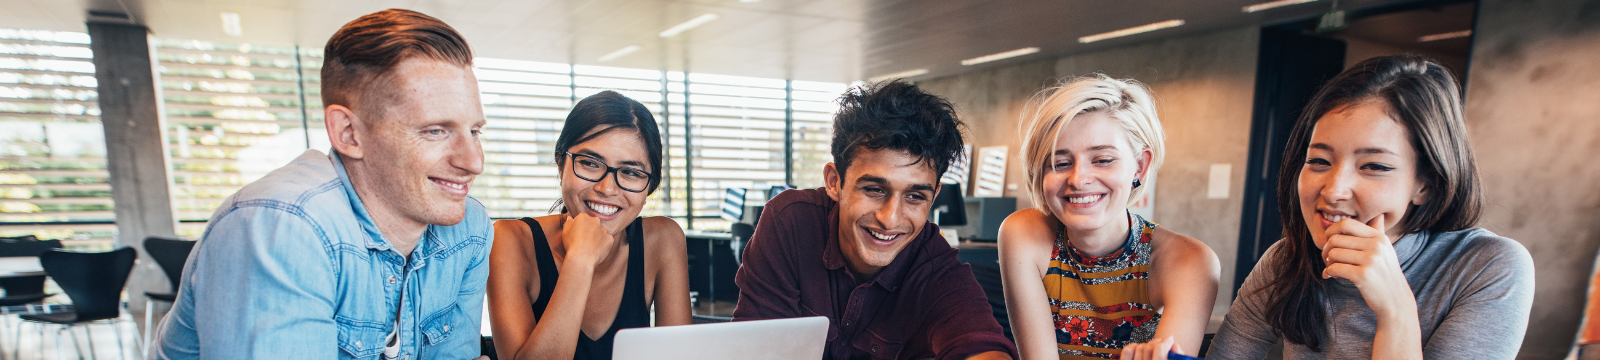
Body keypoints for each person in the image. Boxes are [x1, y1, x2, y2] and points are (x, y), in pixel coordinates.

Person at [150, 9, 491, 359]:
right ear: (348, 133)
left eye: (475, 131)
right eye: (435, 130)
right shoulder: (283, 226)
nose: (473, 162)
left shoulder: (469, 229)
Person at [1208, 55, 1534, 359]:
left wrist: (1395, 309)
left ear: (1426, 183)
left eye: (1374, 166)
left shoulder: (1488, 266)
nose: (1334, 190)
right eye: (1319, 161)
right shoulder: (1284, 260)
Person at [733, 80, 1017, 360]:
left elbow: (980, 344)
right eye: (874, 189)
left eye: (915, 196)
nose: (889, 218)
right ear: (835, 182)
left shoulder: (933, 265)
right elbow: (754, 348)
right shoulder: (791, 222)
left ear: (934, 196)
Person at [998, 75, 1221, 360]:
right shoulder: (1023, 234)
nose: (1078, 179)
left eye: (1103, 160)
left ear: (1139, 167)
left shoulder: (1189, 261)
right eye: (1060, 163)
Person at [486, 90, 691, 360]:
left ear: (649, 187)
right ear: (561, 165)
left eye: (630, 172)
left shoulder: (662, 239)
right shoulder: (510, 240)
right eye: (590, 163)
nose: (607, 188)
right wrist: (580, 260)